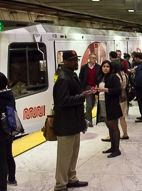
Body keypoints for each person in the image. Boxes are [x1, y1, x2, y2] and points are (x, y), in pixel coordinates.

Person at [53, 50, 92, 191]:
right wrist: (82, 96)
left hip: (74, 122)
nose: (76, 62)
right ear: (66, 62)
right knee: (64, 156)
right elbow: (62, 101)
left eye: (77, 59)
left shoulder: (71, 75)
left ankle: (71, 178)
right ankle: (61, 184)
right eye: (73, 60)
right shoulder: (63, 78)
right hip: (66, 124)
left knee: (73, 154)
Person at [96, 60, 123, 158]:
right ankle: (112, 147)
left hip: (112, 105)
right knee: (109, 126)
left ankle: (117, 149)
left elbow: (117, 91)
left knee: (114, 126)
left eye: (107, 66)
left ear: (110, 68)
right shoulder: (101, 77)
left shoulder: (113, 77)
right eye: (104, 66)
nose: (105, 68)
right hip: (103, 103)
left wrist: (106, 90)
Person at [101, 62, 129, 142]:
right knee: (122, 117)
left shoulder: (114, 76)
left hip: (117, 98)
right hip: (124, 97)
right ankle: (125, 133)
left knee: (114, 121)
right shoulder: (124, 75)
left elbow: (116, 89)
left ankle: (112, 136)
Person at [79, 52, 101, 127]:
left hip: (95, 87)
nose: (94, 60)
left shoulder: (98, 67)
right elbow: (81, 78)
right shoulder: (84, 67)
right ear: (89, 58)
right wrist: (81, 88)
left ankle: (87, 116)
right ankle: (89, 121)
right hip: (87, 87)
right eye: (93, 58)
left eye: (95, 58)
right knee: (89, 104)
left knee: (93, 103)